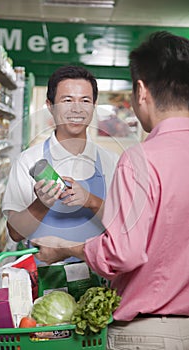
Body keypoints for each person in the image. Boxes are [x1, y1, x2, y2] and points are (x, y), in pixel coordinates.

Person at [31, 31, 189, 349]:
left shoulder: (141, 159)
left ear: (141, 91)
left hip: (147, 334)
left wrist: (64, 249)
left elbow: (123, 253)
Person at [2, 65, 119, 262]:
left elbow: (124, 228)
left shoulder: (112, 161)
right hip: (43, 282)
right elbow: (16, 233)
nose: (77, 109)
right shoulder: (28, 161)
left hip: (98, 282)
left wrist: (91, 201)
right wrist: (42, 204)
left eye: (85, 101)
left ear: (94, 106)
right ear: (50, 106)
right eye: (67, 100)